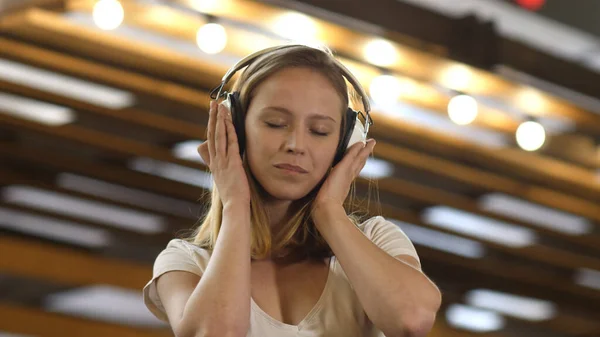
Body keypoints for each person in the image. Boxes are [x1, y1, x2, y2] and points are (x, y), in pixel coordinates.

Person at [143, 44, 441, 337]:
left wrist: (329, 212)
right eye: (275, 123)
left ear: (344, 145)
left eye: (319, 131)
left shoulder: (376, 240)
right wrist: (235, 204)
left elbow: (412, 320)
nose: (296, 145)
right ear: (234, 127)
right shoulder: (187, 263)